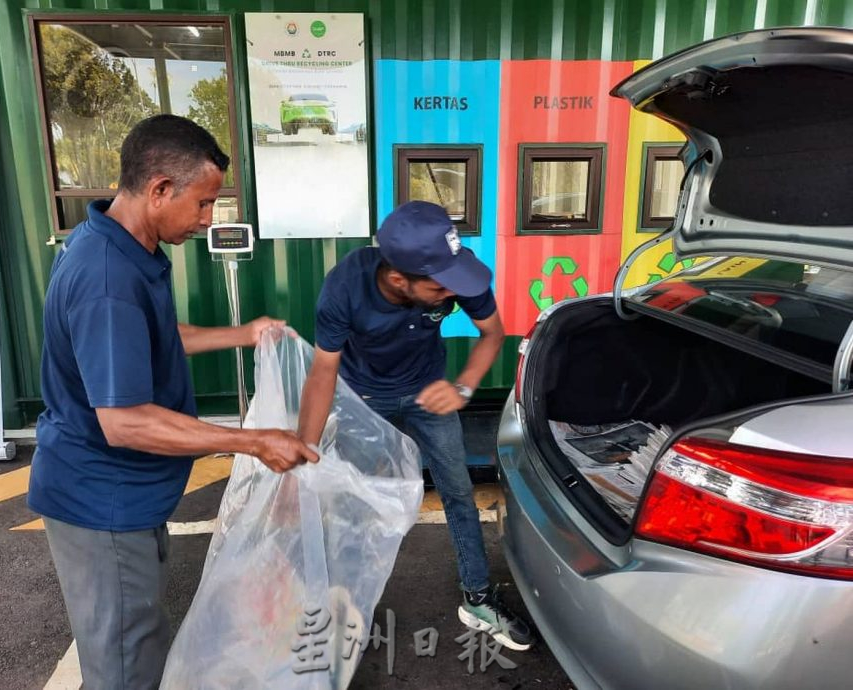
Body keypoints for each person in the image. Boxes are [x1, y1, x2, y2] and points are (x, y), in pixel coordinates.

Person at [28, 114, 318, 690]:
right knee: (123, 665)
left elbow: (155, 337)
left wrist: (242, 333)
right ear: (159, 188)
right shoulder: (107, 275)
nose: (208, 220)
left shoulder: (119, 247)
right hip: (102, 500)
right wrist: (254, 441)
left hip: (125, 497)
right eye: (204, 203)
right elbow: (125, 420)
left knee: (138, 644)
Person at [298, 200, 535, 651]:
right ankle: (345, 607)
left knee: (459, 491)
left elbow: (493, 334)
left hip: (430, 394)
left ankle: (478, 598)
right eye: (440, 287)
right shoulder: (344, 288)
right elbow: (323, 372)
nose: (452, 293)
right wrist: (305, 453)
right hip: (364, 399)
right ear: (397, 279)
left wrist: (463, 387)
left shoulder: (453, 276)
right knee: (354, 501)